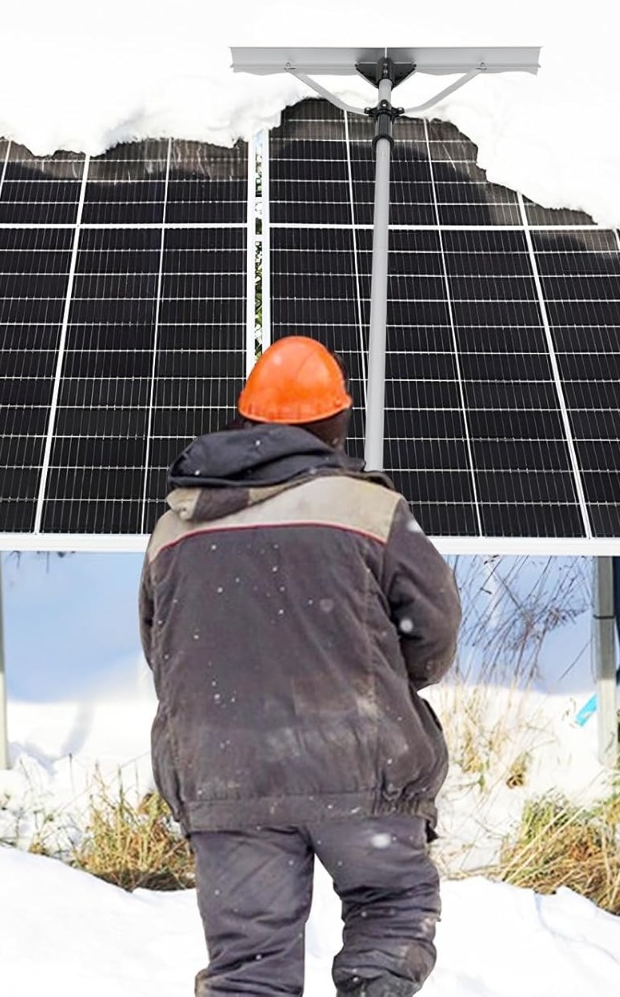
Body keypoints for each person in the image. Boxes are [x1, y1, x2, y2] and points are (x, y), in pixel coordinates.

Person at [140, 335, 462, 997]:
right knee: (389, 923)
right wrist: (378, 686)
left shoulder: (177, 527)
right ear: (332, 424)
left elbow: (163, 653)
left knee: (248, 971)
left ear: (248, 417)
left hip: (225, 774)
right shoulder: (369, 511)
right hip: (360, 770)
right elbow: (433, 628)